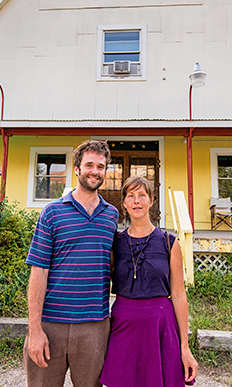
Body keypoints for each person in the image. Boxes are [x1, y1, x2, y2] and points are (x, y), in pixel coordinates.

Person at [24, 140, 118, 387]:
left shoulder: (111, 215)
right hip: (50, 324)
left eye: (100, 166)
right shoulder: (52, 213)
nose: (95, 171)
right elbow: (38, 271)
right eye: (89, 165)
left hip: (94, 326)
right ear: (76, 168)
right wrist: (35, 330)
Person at [100, 176, 198, 387]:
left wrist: (185, 347)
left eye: (142, 195)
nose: (137, 201)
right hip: (123, 327)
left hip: (160, 326)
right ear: (124, 203)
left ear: (151, 201)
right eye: (131, 196)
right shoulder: (115, 243)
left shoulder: (169, 243)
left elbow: (179, 295)